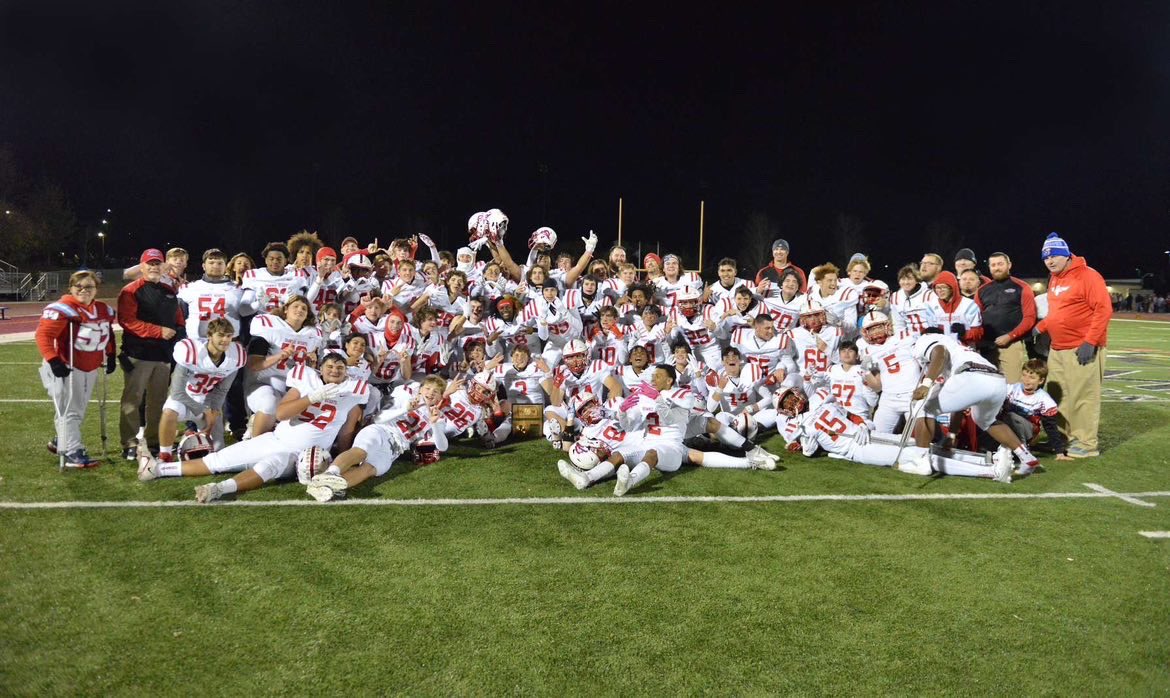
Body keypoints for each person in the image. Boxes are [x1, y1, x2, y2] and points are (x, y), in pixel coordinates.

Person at [138, 352, 368, 503]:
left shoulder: (353, 390)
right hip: (276, 438)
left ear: (346, 370)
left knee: (272, 465)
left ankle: (219, 489)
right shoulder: (306, 379)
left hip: (304, 455)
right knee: (221, 459)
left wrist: (341, 458)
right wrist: (312, 397)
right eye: (330, 366)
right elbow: (281, 413)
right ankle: (156, 470)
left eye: (340, 366)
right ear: (320, 368)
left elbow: (348, 428)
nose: (335, 370)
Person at [910, 330, 1039, 475]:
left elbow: (940, 351)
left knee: (924, 408)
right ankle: (1027, 457)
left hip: (971, 375)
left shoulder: (928, 339)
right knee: (986, 421)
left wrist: (926, 384)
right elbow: (960, 403)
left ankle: (920, 462)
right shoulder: (959, 349)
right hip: (996, 380)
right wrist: (952, 435)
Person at [1034, 232, 1111, 458]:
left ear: (1066, 255)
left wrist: (1090, 341)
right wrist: (1041, 327)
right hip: (1057, 348)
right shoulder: (1055, 278)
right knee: (1058, 395)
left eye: (1055, 256)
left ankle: (1086, 444)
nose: (1050, 261)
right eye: (1046, 257)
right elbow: (1059, 312)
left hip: (1081, 346)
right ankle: (1061, 440)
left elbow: (1103, 309)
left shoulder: (1088, 275)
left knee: (1082, 396)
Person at [36, 270, 117, 467]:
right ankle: (72, 450)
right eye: (78, 286)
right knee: (69, 410)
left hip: (89, 365)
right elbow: (43, 336)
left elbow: (108, 333)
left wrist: (111, 354)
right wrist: (54, 360)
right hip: (66, 365)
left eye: (89, 287)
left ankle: (60, 440)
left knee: (78, 409)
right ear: (71, 288)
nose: (83, 290)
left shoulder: (103, 309)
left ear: (96, 289)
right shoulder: (63, 308)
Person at [118, 248, 186, 459]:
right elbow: (127, 321)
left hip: (163, 356)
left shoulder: (168, 290)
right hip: (138, 354)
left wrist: (179, 343)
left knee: (158, 401)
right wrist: (158, 332)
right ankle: (129, 443)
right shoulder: (131, 291)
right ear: (142, 265)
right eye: (150, 263)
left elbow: (178, 320)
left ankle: (154, 440)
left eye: (158, 263)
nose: (154, 267)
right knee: (133, 400)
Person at [158, 318, 246, 459]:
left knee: (217, 452)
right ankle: (165, 455)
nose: (225, 340)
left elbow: (221, 390)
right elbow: (177, 392)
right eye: (220, 335)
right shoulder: (191, 353)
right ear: (209, 336)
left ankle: (196, 441)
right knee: (169, 411)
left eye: (229, 336)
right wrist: (204, 410)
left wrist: (214, 411)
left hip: (207, 401)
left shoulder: (235, 357)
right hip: (184, 399)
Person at [975, 252, 1037, 383]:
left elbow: (1030, 318)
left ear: (1009, 265)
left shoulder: (1022, 287)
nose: (997, 268)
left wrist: (1010, 336)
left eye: (1000, 264)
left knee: (1012, 387)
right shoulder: (981, 290)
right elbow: (975, 318)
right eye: (993, 265)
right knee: (988, 387)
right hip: (987, 347)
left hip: (1010, 346)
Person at [1003, 359, 1071, 461]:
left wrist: (1059, 451)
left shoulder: (1044, 400)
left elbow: (1050, 427)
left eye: (1032, 377)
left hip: (1028, 432)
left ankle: (1023, 451)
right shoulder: (1012, 389)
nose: (1026, 380)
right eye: (1024, 375)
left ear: (1041, 380)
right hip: (1009, 427)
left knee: (1012, 417)